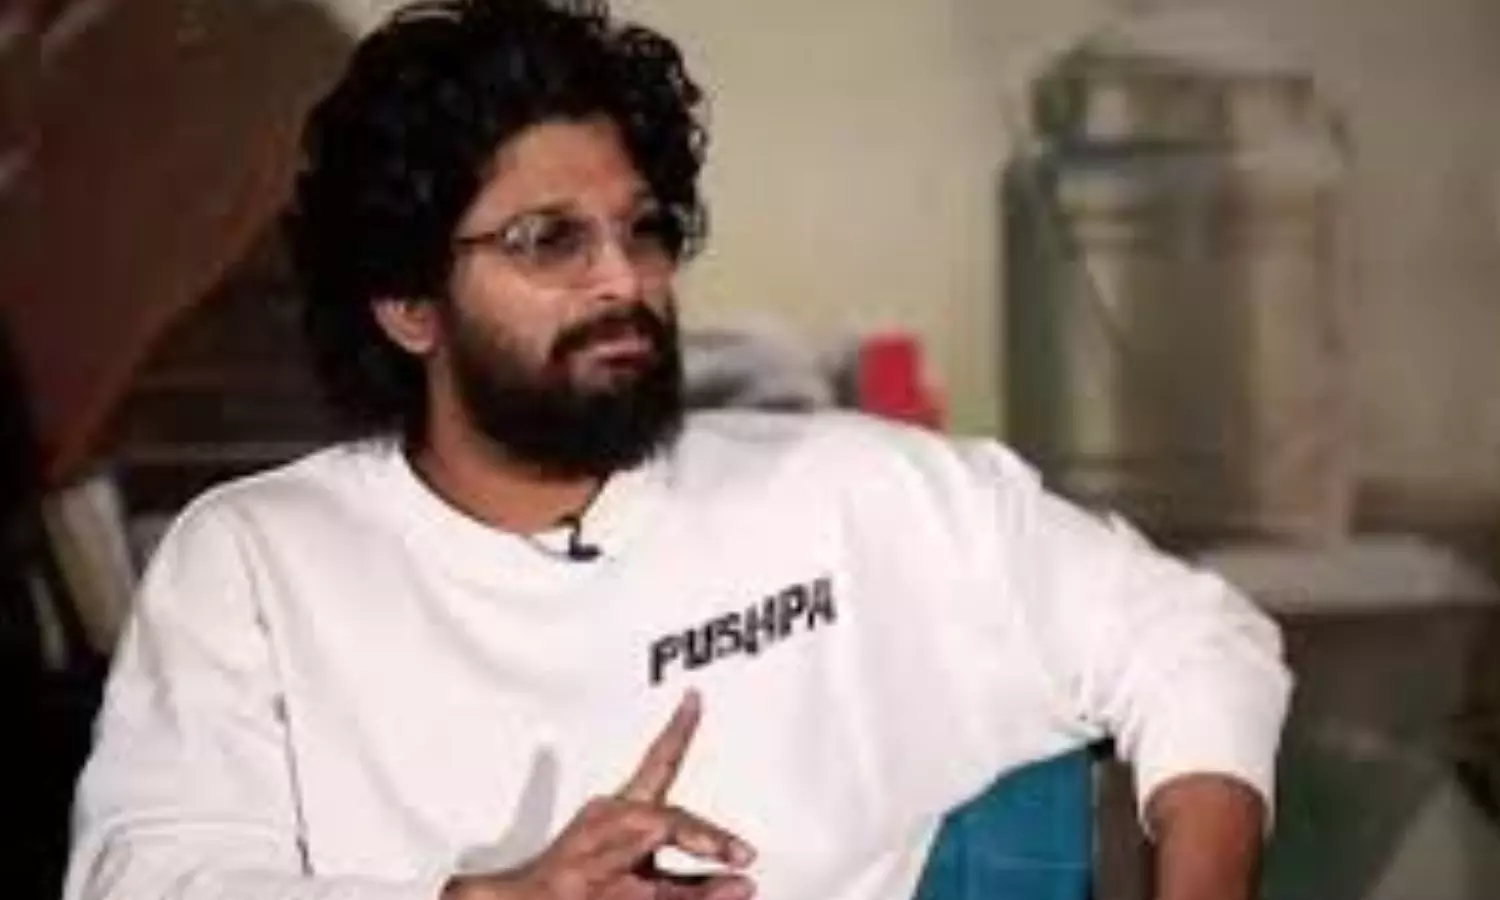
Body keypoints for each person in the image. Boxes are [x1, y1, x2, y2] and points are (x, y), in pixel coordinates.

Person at [63, 2, 1291, 900]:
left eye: (642, 231)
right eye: (549, 241)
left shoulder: (851, 491)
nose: (623, 281)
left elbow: (1193, 639)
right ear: (409, 305)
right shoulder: (258, 561)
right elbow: (151, 877)